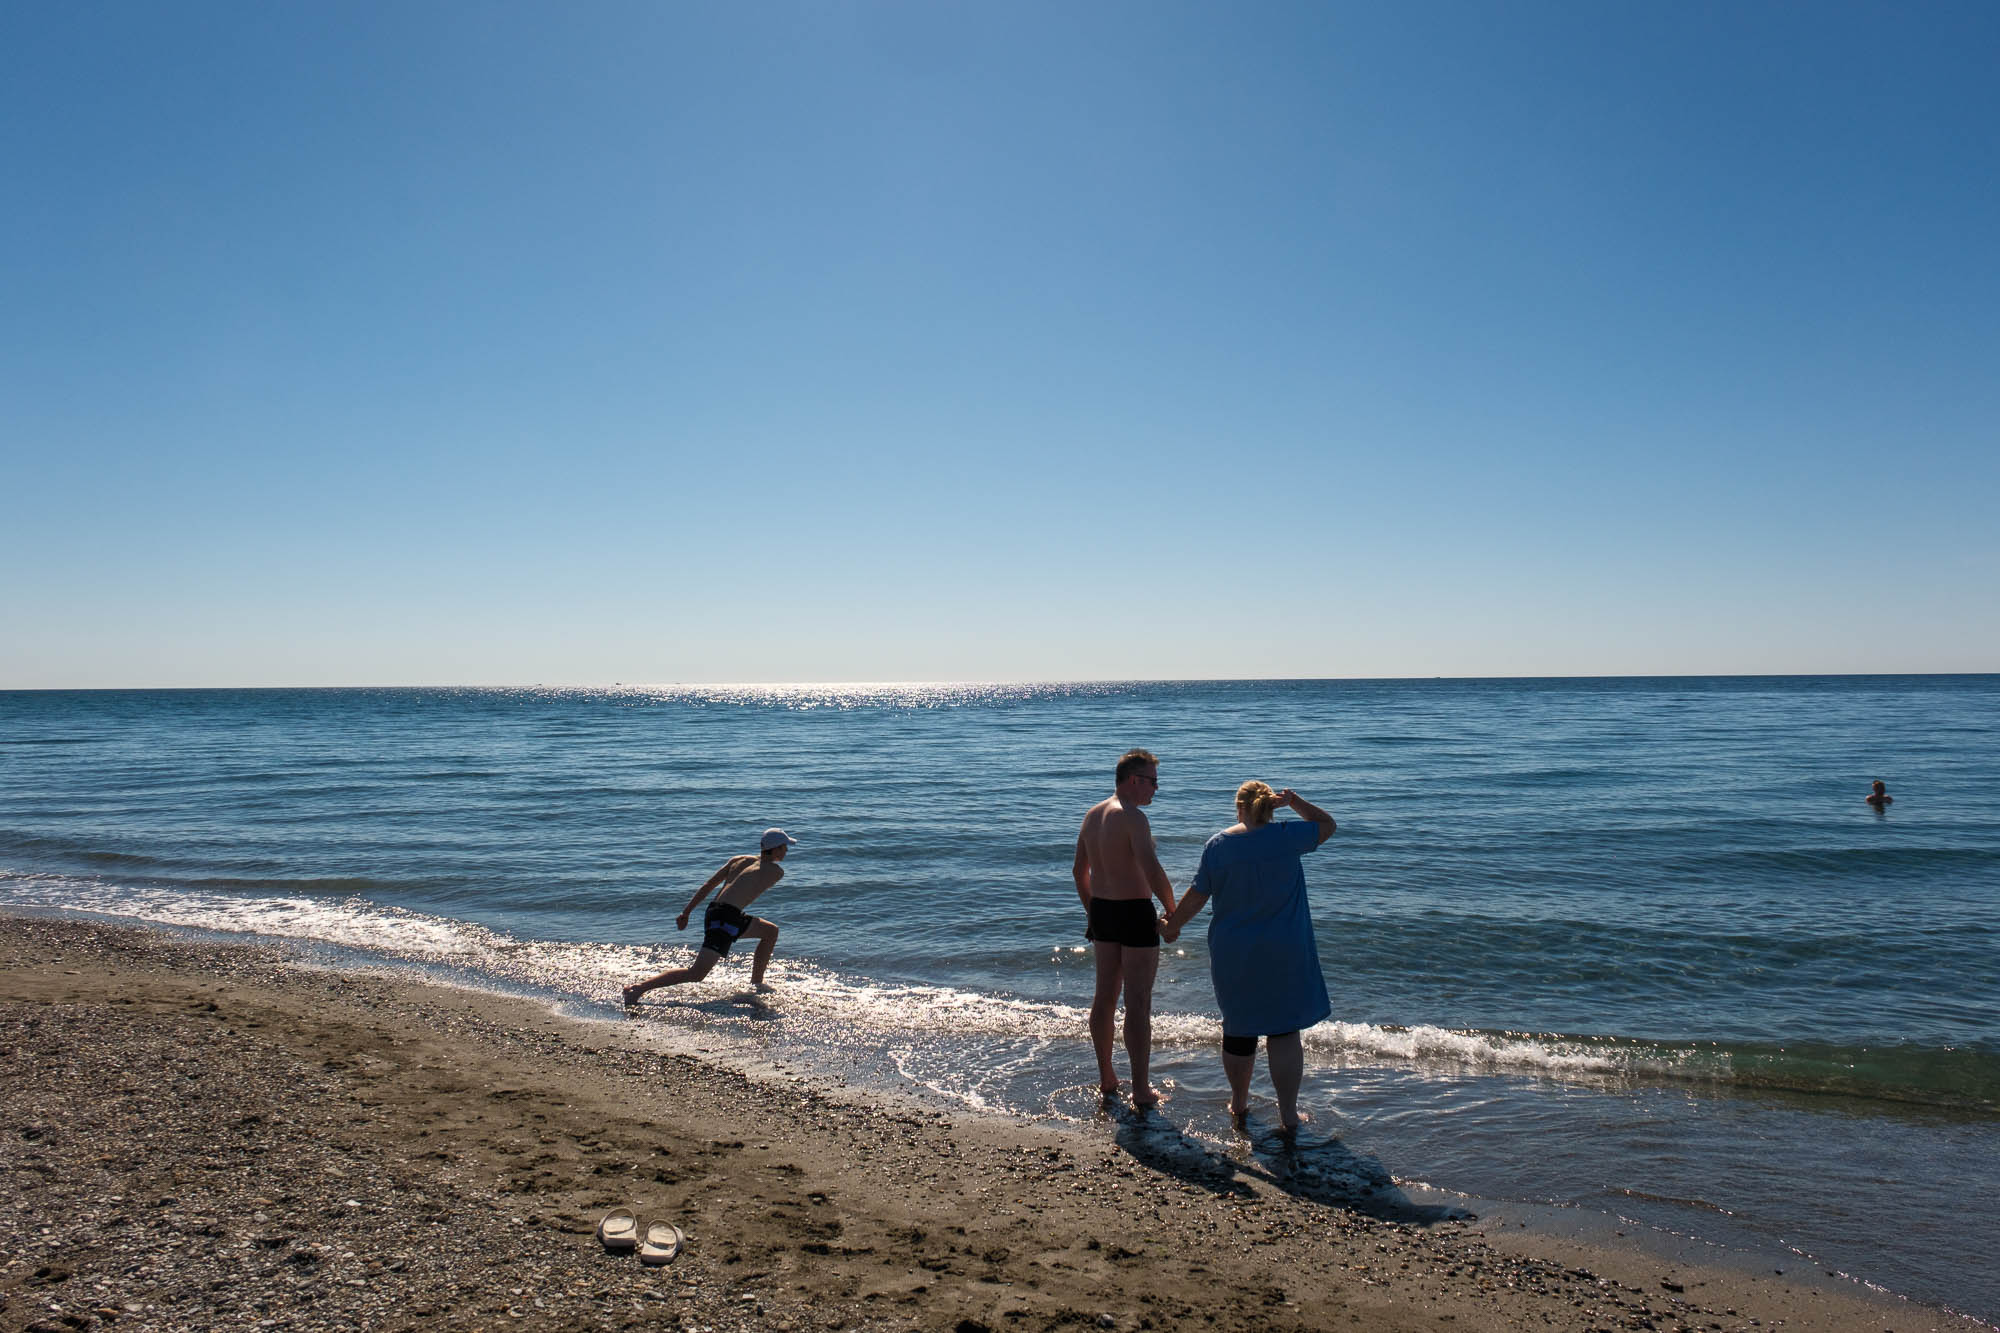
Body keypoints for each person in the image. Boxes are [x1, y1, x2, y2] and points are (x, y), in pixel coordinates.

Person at [1160, 781, 1334, 1133]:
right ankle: (1288, 1115)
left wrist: (1170, 926)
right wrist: (1295, 801)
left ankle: (1239, 1102)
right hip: (1285, 948)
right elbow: (1328, 825)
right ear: (1271, 808)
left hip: (1233, 951)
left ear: (1238, 808)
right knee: (1284, 1032)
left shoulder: (1219, 846)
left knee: (1239, 1029)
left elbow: (1196, 896)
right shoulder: (1288, 836)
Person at [1073, 748, 1178, 1107]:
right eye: (1152, 781)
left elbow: (1078, 872)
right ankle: (1141, 1089)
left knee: (1104, 997)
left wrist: (1091, 912)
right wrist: (1172, 911)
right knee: (1137, 1002)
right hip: (1134, 912)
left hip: (1103, 911)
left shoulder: (1092, 815)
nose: (1156, 789)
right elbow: (1151, 868)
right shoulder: (1132, 818)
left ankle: (1107, 1076)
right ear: (1134, 780)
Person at [622, 828, 799, 1005]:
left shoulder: (738, 860)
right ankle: (637, 989)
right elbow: (756, 878)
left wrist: (686, 912)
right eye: (784, 847)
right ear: (775, 849)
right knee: (697, 973)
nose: (786, 852)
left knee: (770, 932)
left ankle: (757, 984)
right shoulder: (776, 872)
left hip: (716, 911)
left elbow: (708, 885)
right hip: (725, 919)